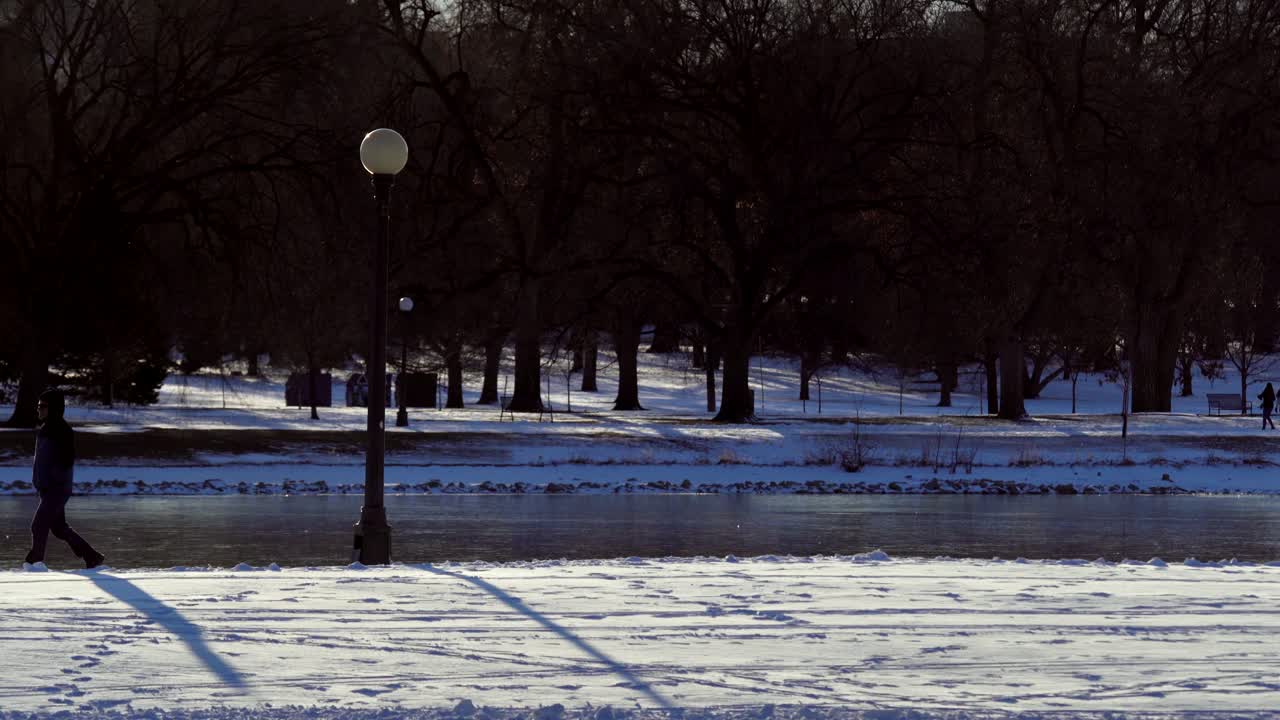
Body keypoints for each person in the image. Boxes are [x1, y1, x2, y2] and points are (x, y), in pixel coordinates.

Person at [24, 389, 104, 569]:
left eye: (43, 406)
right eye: (38, 406)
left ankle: (34, 563)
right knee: (59, 528)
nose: (39, 409)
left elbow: (66, 461)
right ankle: (92, 556)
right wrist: (40, 482)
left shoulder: (62, 430)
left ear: (53, 408)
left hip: (56, 488)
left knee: (38, 525)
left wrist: (53, 481)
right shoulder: (45, 429)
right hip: (47, 489)